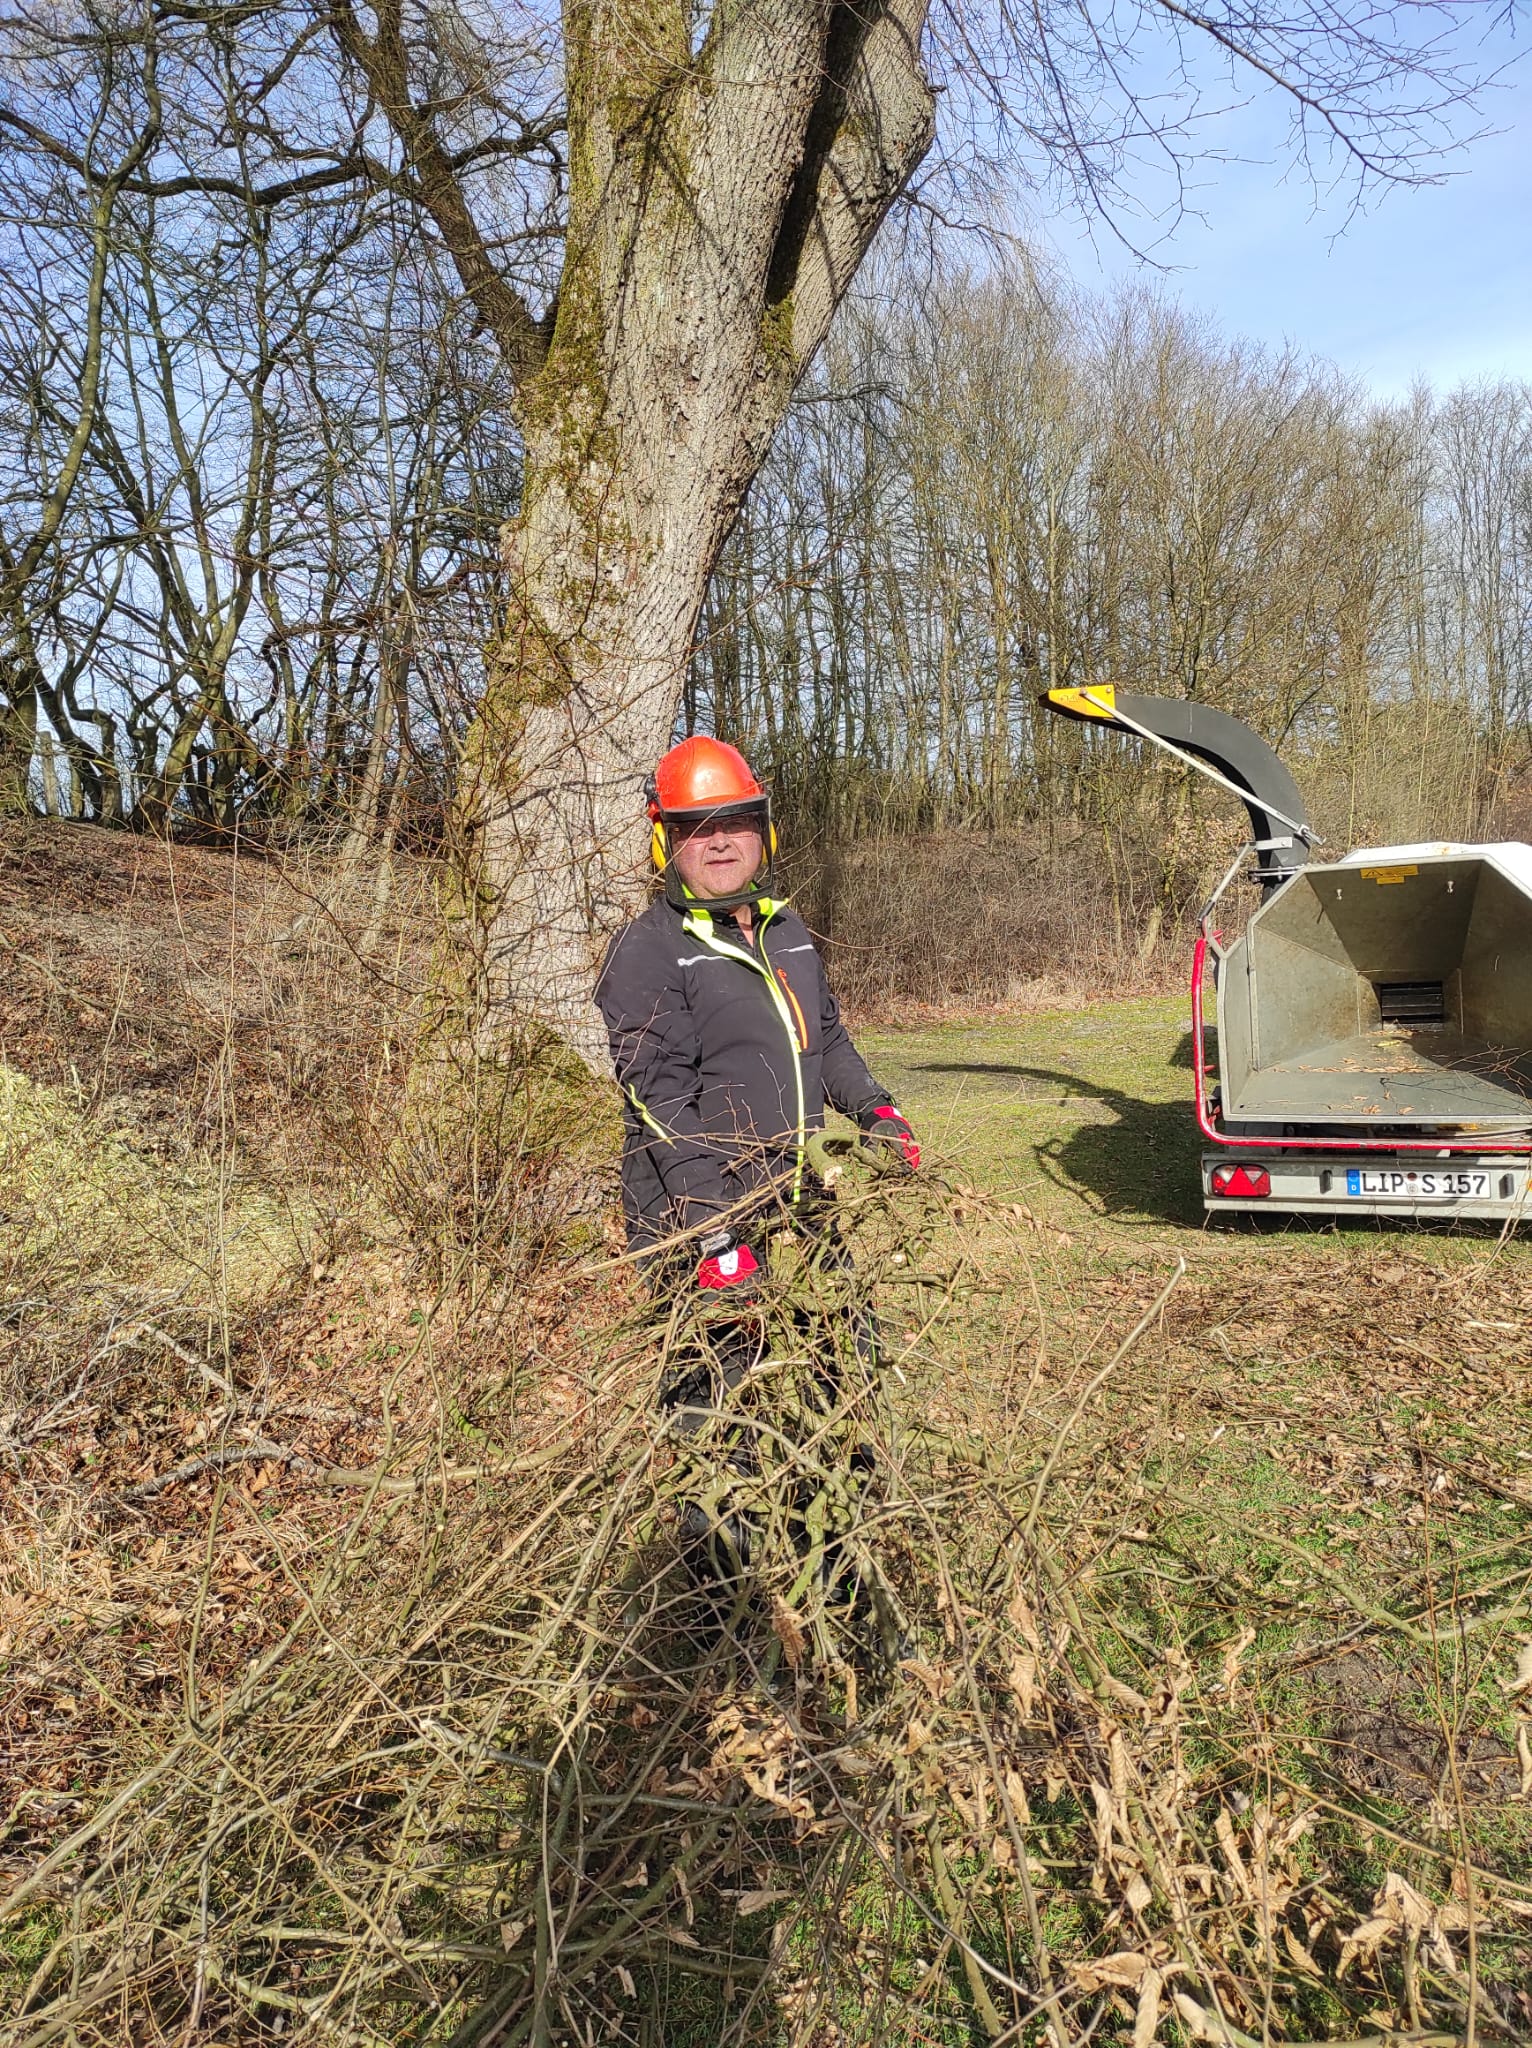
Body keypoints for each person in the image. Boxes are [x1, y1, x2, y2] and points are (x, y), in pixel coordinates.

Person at [595, 735, 919, 1294]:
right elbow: (662, 1101)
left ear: (764, 832)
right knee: (722, 1352)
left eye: (736, 822)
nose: (720, 841)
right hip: (699, 1218)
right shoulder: (647, 949)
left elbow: (823, 1037)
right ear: (665, 843)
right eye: (697, 828)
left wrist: (875, 1109)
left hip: (801, 1196)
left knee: (850, 1337)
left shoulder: (785, 928)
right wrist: (712, 1231)